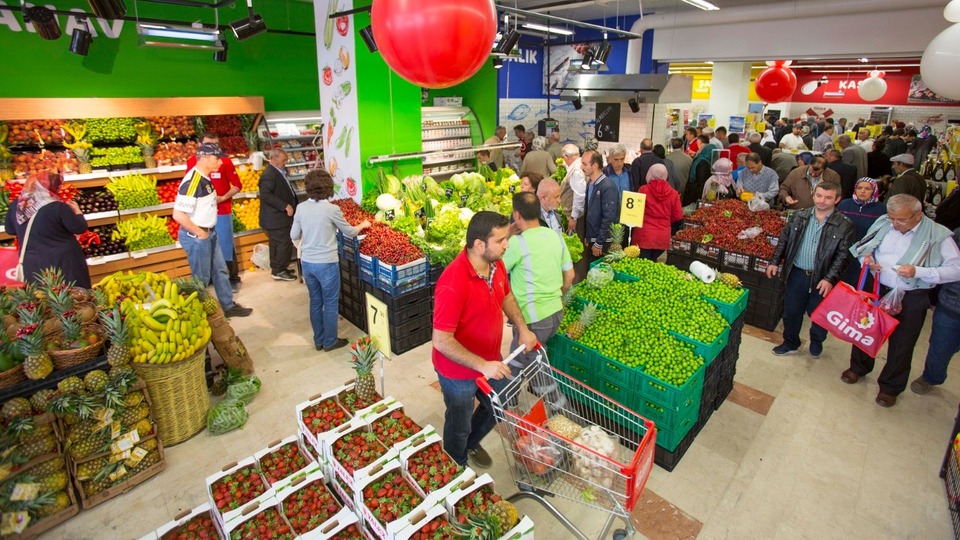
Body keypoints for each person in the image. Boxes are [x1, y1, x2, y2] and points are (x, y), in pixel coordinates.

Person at [432, 211, 537, 468]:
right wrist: (482, 365)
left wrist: (522, 328)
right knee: (459, 422)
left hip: (490, 360)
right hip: (458, 372)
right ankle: (456, 464)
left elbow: (506, 296)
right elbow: (441, 341)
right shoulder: (453, 282)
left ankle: (471, 442)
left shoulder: (496, 265)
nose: (507, 244)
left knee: (501, 402)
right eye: (500, 240)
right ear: (479, 245)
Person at [841, 195, 960, 407]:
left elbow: (956, 270)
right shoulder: (884, 223)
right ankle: (858, 367)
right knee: (865, 331)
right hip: (877, 288)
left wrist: (919, 272)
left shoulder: (938, 235)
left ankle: (890, 387)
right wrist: (867, 260)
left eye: (901, 220)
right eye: (892, 218)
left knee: (902, 343)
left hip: (912, 296)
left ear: (918, 215)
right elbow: (865, 247)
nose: (895, 224)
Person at [766, 182, 855, 358]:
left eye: (828, 197)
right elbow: (784, 241)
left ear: (837, 199)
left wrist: (829, 278)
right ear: (813, 195)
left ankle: (817, 340)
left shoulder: (844, 225)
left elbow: (843, 256)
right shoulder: (799, 216)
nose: (822, 201)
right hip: (797, 273)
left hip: (822, 278)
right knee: (791, 311)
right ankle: (790, 342)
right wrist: (774, 261)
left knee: (819, 314)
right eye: (819, 196)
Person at [291, 169, 371, 351]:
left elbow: (294, 234)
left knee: (315, 301)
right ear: (328, 188)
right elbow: (350, 232)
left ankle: (319, 341)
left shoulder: (301, 208)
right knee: (330, 303)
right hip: (326, 264)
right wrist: (363, 225)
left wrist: (304, 245)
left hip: (307, 263)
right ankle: (330, 341)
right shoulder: (332, 209)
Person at [172, 143, 252, 317]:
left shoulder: (205, 178)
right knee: (200, 278)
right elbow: (178, 214)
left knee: (220, 270)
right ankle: (199, 314)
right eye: (217, 158)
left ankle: (228, 306)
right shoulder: (192, 181)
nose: (221, 162)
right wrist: (200, 233)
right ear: (204, 158)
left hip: (210, 233)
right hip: (197, 237)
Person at [502, 192, 574, 374]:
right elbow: (570, 276)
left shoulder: (517, 243)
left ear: (517, 215)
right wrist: (557, 296)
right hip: (555, 313)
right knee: (516, 358)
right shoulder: (555, 236)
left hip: (532, 319)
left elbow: (496, 271)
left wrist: (507, 236)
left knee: (537, 370)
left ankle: (551, 394)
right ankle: (507, 390)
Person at [5, 171, 90, 288]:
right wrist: (78, 212)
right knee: (72, 295)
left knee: (41, 295)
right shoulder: (58, 207)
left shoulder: (17, 205)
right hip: (63, 263)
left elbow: (10, 230)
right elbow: (79, 227)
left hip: (33, 263)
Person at [186, 132, 243, 292]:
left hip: (222, 211)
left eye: (216, 145)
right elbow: (189, 190)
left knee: (225, 245)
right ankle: (210, 281)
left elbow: (237, 185)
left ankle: (232, 278)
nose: (214, 149)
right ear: (200, 147)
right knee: (206, 247)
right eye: (209, 145)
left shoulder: (225, 161)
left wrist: (223, 197)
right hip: (202, 214)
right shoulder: (192, 165)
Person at [911, 227, 960, 395]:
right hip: (952, 305)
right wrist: (933, 298)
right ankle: (931, 377)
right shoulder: (957, 235)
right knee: (940, 348)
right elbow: (941, 264)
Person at [837, 177, 886, 285]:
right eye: (859, 188)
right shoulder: (844, 205)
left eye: (867, 189)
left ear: (874, 191)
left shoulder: (881, 209)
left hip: (867, 254)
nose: (862, 191)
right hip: (843, 251)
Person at [259, 148, 298, 282]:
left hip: (277, 218)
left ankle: (277, 269)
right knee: (283, 242)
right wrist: (284, 205)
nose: (285, 163)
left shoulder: (277, 172)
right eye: (283, 160)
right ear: (274, 159)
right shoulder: (269, 174)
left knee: (276, 244)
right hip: (275, 218)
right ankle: (280, 270)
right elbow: (265, 195)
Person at [632, 164, 682, 261]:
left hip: (644, 235)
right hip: (662, 237)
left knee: (642, 264)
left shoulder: (643, 190)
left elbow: (636, 211)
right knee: (654, 264)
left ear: (649, 174)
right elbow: (678, 215)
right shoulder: (674, 193)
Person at [582, 151, 619, 263]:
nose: (581, 167)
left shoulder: (608, 186)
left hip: (602, 242)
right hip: (592, 238)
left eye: (584, 164)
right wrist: (588, 236)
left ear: (595, 165)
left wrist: (599, 242)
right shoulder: (590, 184)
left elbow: (609, 217)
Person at [559, 144, 587, 279]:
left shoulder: (576, 172)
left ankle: (576, 278)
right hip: (574, 214)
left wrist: (573, 217)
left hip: (575, 216)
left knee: (576, 248)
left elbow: (579, 195)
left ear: (566, 157)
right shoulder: (578, 166)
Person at [682, 135, 717, 206]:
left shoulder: (700, 159)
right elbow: (701, 182)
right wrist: (700, 199)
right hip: (695, 194)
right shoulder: (703, 163)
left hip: (691, 190)